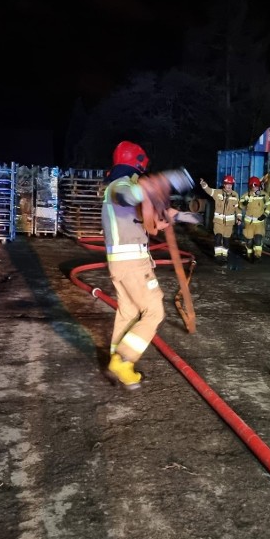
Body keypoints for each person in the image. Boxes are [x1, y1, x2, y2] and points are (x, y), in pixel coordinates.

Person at [101, 140, 197, 390]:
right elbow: (132, 194)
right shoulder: (120, 186)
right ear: (136, 164)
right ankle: (123, 361)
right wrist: (167, 180)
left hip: (120, 263)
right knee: (155, 311)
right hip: (133, 262)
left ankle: (116, 359)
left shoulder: (121, 187)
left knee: (129, 312)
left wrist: (185, 216)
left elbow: (155, 210)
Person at [199, 174, 239, 263]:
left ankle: (224, 256)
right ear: (224, 184)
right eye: (227, 184)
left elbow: (237, 208)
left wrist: (239, 218)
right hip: (218, 222)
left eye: (230, 184)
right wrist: (203, 184)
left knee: (226, 241)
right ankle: (218, 256)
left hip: (229, 224)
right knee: (218, 238)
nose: (229, 186)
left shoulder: (235, 195)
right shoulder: (218, 192)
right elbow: (208, 190)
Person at [236, 175, 270, 262]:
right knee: (249, 242)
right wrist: (244, 203)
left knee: (258, 240)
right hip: (249, 223)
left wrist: (265, 214)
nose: (254, 187)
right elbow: (240, 206)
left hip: (259, 223)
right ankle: (249, 254)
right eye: (252, 185)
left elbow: (269, 205)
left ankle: (257, 256)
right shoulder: (246, 196)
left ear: (259, 185)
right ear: (249, 186)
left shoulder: (264, 195)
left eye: (255, 185)